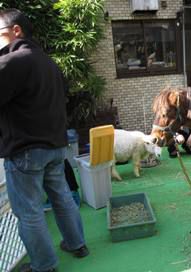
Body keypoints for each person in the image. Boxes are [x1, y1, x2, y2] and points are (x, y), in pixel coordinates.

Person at [0, 9, 89, 272]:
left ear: (16, 31)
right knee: (61, 197)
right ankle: (77, 244)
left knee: (29, 211)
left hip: (25, 149)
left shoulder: (11, 62)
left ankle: (44, 265)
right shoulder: (49, 63)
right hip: (56, 146)